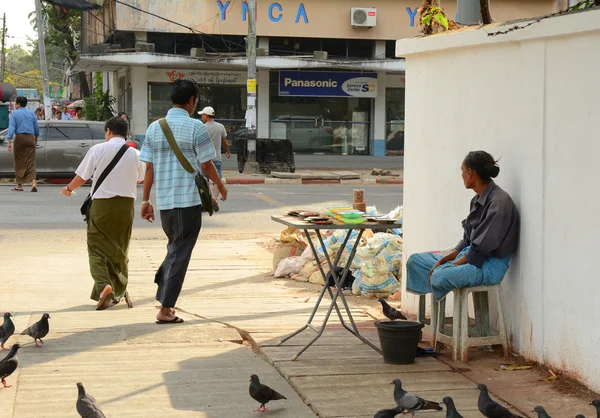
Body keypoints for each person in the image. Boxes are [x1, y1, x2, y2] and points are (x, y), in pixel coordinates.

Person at [139, 78, 228, 324]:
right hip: (187, 202)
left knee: (175, 247)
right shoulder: (195, 127)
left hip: (166, 202)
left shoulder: (154, 127)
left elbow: (149, 168)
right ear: (192, 101)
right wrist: (220, 185)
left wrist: (145, 200)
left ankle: (164, 287)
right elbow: (207, 164)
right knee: (180, 252)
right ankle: (165, 307)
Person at [406, 151, 519, 301]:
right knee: (415, 261)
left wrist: (450, 265)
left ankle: (441, 279)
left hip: (487, 266)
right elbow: (467, 241)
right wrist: (443, 260)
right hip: (468, 257)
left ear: (471, 173)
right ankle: (441, 277)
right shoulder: (477, 200)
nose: (462, 175)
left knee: (439, 275)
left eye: (462, 170)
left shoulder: (499, 202)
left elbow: (480, 251)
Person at [60, 117, 145, 310]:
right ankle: (116, 291)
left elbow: (82, 177)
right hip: (125, 206)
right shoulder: (135, 154)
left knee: (97, 249)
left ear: (108, 131)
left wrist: (68, 188)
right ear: (126, 133)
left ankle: (104, 286)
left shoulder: (97, 150)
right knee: (119, 248)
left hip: (102, 206)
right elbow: (140, 179)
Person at [199, 106, 231, 212]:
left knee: (204, 180)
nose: (202, 117)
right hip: (217, 157)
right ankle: (214, 198)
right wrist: (228, 151)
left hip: (204, 158)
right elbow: (225, 142)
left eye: (203, 115)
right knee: (217, 180)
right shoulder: (220, 127)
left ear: (207, 116)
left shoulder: (202, 127)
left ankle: (207, 200)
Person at [6, 96, 40, 192]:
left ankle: (19, 185)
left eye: (16, 103)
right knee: (31, 161)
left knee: (19, 161)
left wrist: (9, 140)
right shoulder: (31, 113)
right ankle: (33, 183)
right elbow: (36, 128)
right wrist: (35, 138)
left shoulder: (14, 114)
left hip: (20, 138)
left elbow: (12, 127)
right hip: (30, 137)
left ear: (18, 104)